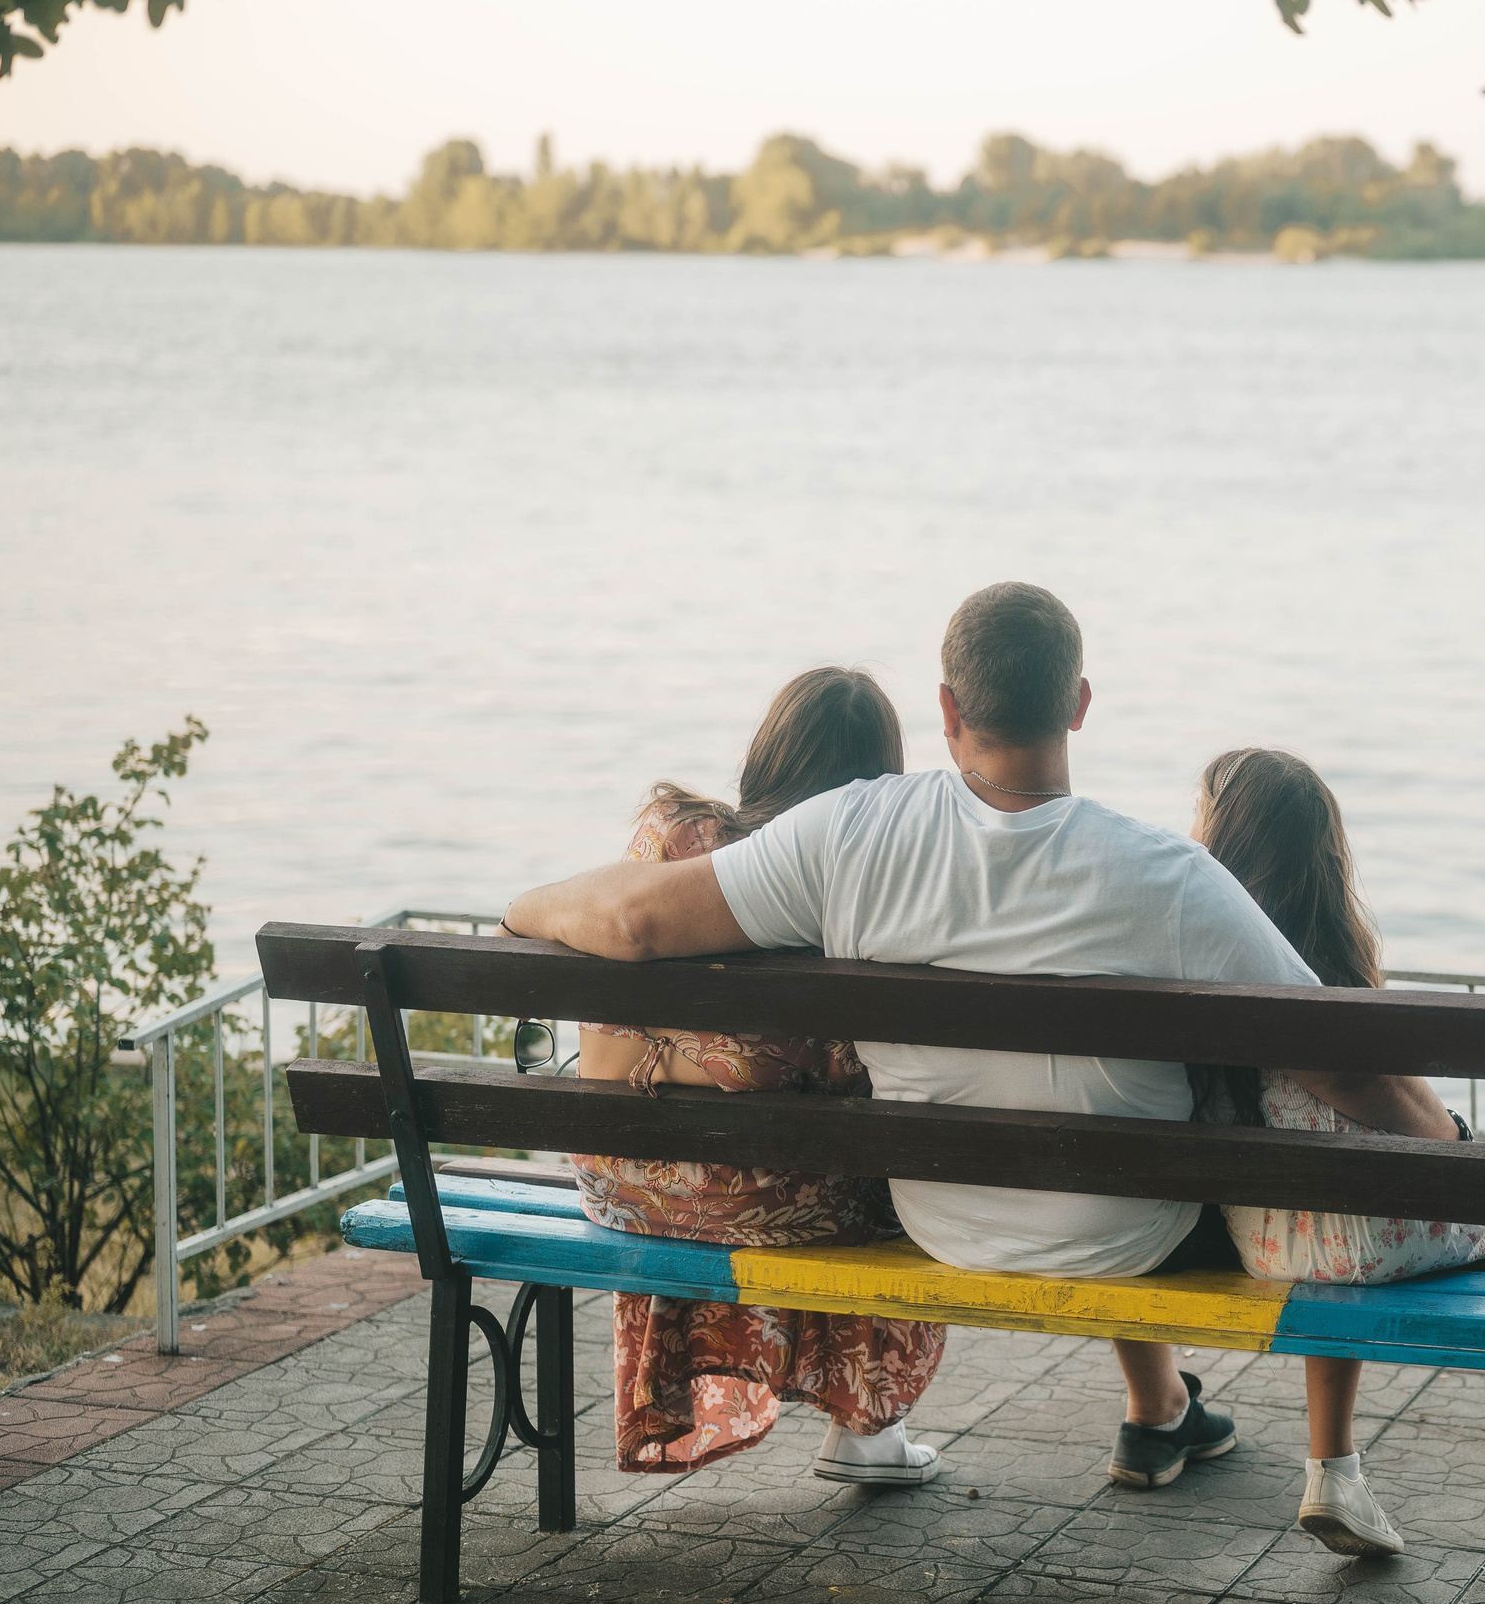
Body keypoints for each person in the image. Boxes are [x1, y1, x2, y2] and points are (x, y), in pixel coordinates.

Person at [506, 583, 1402, 1490]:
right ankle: (1172, 1409)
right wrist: (1445, 1143)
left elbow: (635, 923)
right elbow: (1340, 1060)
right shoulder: (1170, 873)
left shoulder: (847, 831)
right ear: (1081, 703)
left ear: (945, 708)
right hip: (1128, 1236)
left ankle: (1164, 1407)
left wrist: (519, 908)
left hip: (940, 1218)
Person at [1192, 748, 1485, 1558]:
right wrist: (1458, 1146)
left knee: (1339, 1241)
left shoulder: (1199, 953)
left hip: (1264, 1238)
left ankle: (1335, 1471)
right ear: (1322, 860)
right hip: (1362, 1237)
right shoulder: (1315, 971)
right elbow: (1367, 1083)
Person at [564, 667, 948, 1486]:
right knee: (881, 1175)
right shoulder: (877, 875)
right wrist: (759, 1068)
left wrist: (668, 1053)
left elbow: (605, 1055)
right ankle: (868, 1430)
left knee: (818, 1151)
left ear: (765, 753)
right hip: (808, 1200)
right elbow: (832, 1068)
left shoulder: (676, 836)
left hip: (632, 1185)